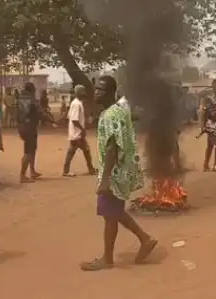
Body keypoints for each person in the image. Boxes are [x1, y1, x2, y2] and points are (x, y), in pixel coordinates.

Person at [80, 75, 157, 271]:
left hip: (114, 172)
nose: (96, 92)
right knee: (114, 212)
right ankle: (145, 239)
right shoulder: (118, 111)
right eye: (96, 88)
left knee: (109, 214)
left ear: (111, 92)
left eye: (101, 89)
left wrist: (105, 179)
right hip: (120, 171)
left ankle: (107, 259)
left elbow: (113, 148)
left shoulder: (111, 115)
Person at [16, 83, 55, 182]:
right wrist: (52, 120)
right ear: (32, 90)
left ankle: (32, 171)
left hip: (22, 127)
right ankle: (22, 175)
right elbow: (41, 114)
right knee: (28, 152)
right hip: (30, 128)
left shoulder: (19, 100)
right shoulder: (34, 101)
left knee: (31, 150)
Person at [62, 85, 96, 177]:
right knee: (73, 151)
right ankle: (66, 171)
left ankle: (91, 169)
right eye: (83, 91)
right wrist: (82, 129)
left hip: (76, 132)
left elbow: (69, 117)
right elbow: (74, 120)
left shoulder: (75, 102)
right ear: (80, 93)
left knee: (86, 150)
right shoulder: (77, 104)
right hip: (77, 133)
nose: (85, 93)